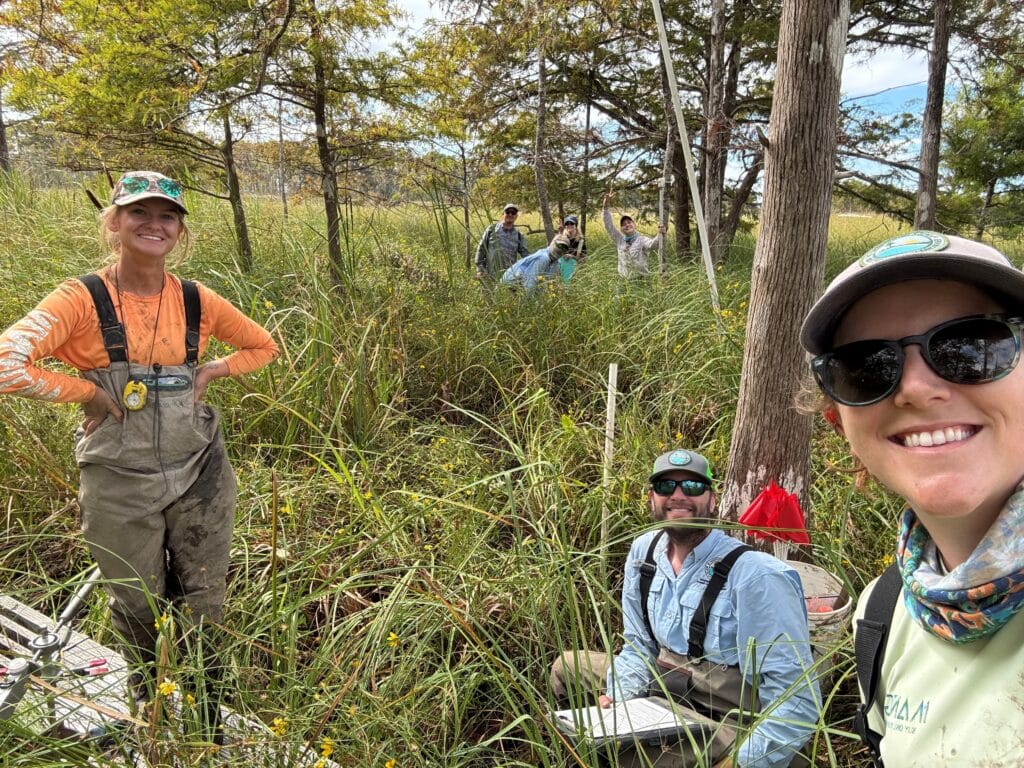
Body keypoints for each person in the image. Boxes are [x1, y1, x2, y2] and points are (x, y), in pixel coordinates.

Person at [0, 170, 279, 740]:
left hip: (200, 467)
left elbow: (263, 346)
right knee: (134, 603)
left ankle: (204, 718)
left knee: (204, 597)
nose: (155, 224)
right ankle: (149, 711)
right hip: (118, 477)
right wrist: (87, 392)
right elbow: (6, 361)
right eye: (139, 213)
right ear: (115, 222)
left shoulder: (196, 298)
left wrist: (213, 370)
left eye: (167, 216)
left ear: (180, 230)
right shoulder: (81, 298)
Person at [799, 231, 1024, 765]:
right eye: (865, 367)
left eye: (973, 346)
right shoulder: (884, 613)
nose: (917, 388)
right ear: (841, 425)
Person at [551, 449, 821, 767]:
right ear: (652, 499)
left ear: (713, 499)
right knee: (567, 668)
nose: (678, 496)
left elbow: (797, 700)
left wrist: (740, 762)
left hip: (726, 717)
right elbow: (639, 648)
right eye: (666, 487)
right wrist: (622, 704)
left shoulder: (756, 576)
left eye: (692, 487)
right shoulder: (643, 553)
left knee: (625, 756)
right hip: (666, 685)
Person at [602, 190, 666, 279]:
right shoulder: (619, 239)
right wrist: (605, 206)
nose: (627, 225)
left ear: (634, 225)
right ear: (621, 229)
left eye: (629, 222)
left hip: (641, 280)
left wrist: (660, 234)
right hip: (624, 281)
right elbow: (608, 225)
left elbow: (653, 245)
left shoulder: (642, 239)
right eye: (623, 224)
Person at [500, 235, 575, 294]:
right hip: (508, 288)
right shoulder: (543, 258)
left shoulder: (557, 263)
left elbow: (545, 285)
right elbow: (529, 285)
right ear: (553, 243)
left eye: (564, 248)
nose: (561, 249)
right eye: (559, 246)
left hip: (520, 289)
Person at [475, 203, 529, 280]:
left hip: (509, 276)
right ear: (503, 214)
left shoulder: (518, 235)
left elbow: (525, 254)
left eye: (513, 213)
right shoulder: (491, 229)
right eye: (508, 212)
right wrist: (480, 270)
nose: (510, 214)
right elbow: (481, 248)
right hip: (489, 274)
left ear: (516, 216)